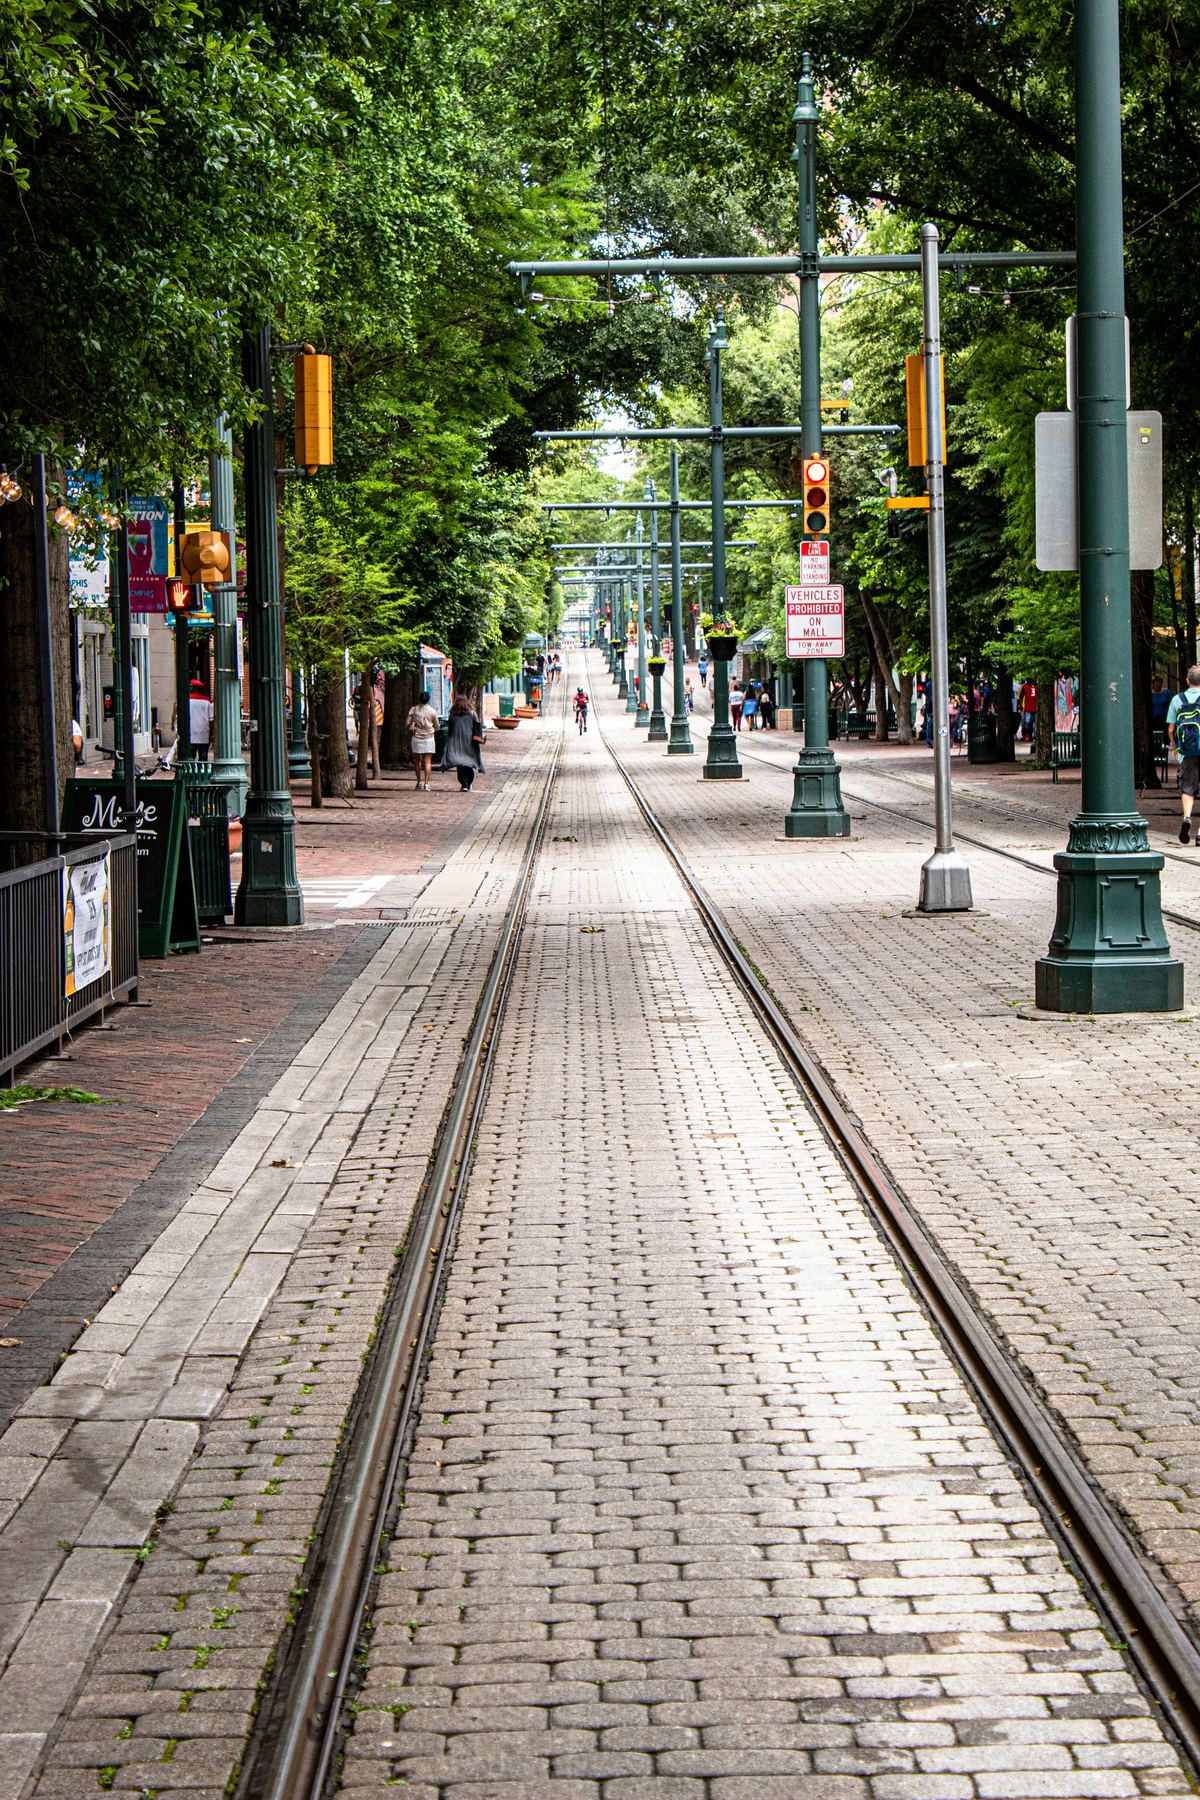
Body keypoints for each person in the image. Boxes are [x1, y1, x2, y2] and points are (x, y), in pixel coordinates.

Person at [1168, 664, 1200, 842]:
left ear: (1187, 681)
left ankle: (1187, 816)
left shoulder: (1177, 699)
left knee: (1188, 787)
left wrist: (1176, 748)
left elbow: (1171, 729)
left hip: (1187, 752)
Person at [444, 692, 485, 792]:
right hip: (469, 742)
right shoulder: (472, 713)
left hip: (456, 741)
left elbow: (450, 728)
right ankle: (467, 783)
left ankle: (464, 784)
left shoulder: (452, 714)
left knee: (460, 764)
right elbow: (477, 725)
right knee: (468, 763)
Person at [406, 689, 439, 791]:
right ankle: (426, 784)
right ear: (428, 700)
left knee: (417, 761)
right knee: (428, 761)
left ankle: (419, 782)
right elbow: (437, 726)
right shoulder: (432, 711)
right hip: (429, 738)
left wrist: (413, 725)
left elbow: (407, 723)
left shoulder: (413, 710)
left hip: (417, 737)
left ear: (419, 699)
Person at [188, 678, 214, 759]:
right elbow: (211, 720)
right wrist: (212, 734)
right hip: (204, 734)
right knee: (203, 757)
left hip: (190, 734)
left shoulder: (187, 701)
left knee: (191, 757)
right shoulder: (208, 702)